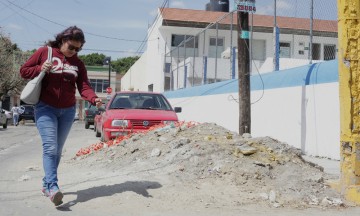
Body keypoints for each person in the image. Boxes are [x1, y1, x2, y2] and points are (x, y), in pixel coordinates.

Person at [20, 26, 102, 206]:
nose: (74, 51)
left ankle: (46, 184)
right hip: (45, 108)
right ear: (62, 40)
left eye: (78, 49)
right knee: (50, 148)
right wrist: (41, 68)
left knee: (57, 150)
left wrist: (93, 98)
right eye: (71, 47)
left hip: (67, 110)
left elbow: (84, 86)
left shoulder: (78, 64)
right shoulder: (45, 52)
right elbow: (24, 71)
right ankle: (52, 187)